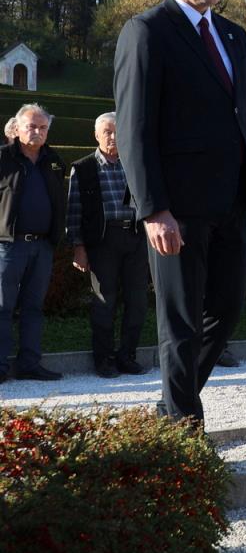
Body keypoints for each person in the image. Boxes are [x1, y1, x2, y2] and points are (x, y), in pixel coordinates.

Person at [114, 0, 246, 422]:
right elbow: (134, 129)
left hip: (232, 203)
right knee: (180, 324)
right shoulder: (147, 31)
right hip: (176, 208)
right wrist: (153, 209)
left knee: (225, 313)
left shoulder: (235, 36)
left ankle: (168, 410)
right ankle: (185, 434)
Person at [66, 112, 149, 378]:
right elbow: (74, 212)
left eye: (118, 131)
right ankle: (104, 359)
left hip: (136, 237)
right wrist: (79, 247)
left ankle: (127, 356)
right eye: (107, 132)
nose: (113, 137)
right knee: (104, 301)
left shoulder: (135, 163)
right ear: (96, 135)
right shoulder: (83, 168)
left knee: (137, 301)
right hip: (103, 241)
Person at [0, 104, 67, 383]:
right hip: (8, 246)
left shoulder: (54, 161)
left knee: (33, 307)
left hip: (42, 247)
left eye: (43, 127)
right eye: (31, 126)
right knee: (2, 306)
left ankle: (29, 363)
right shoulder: (3, 158)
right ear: (17, 128)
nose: (37, 132)